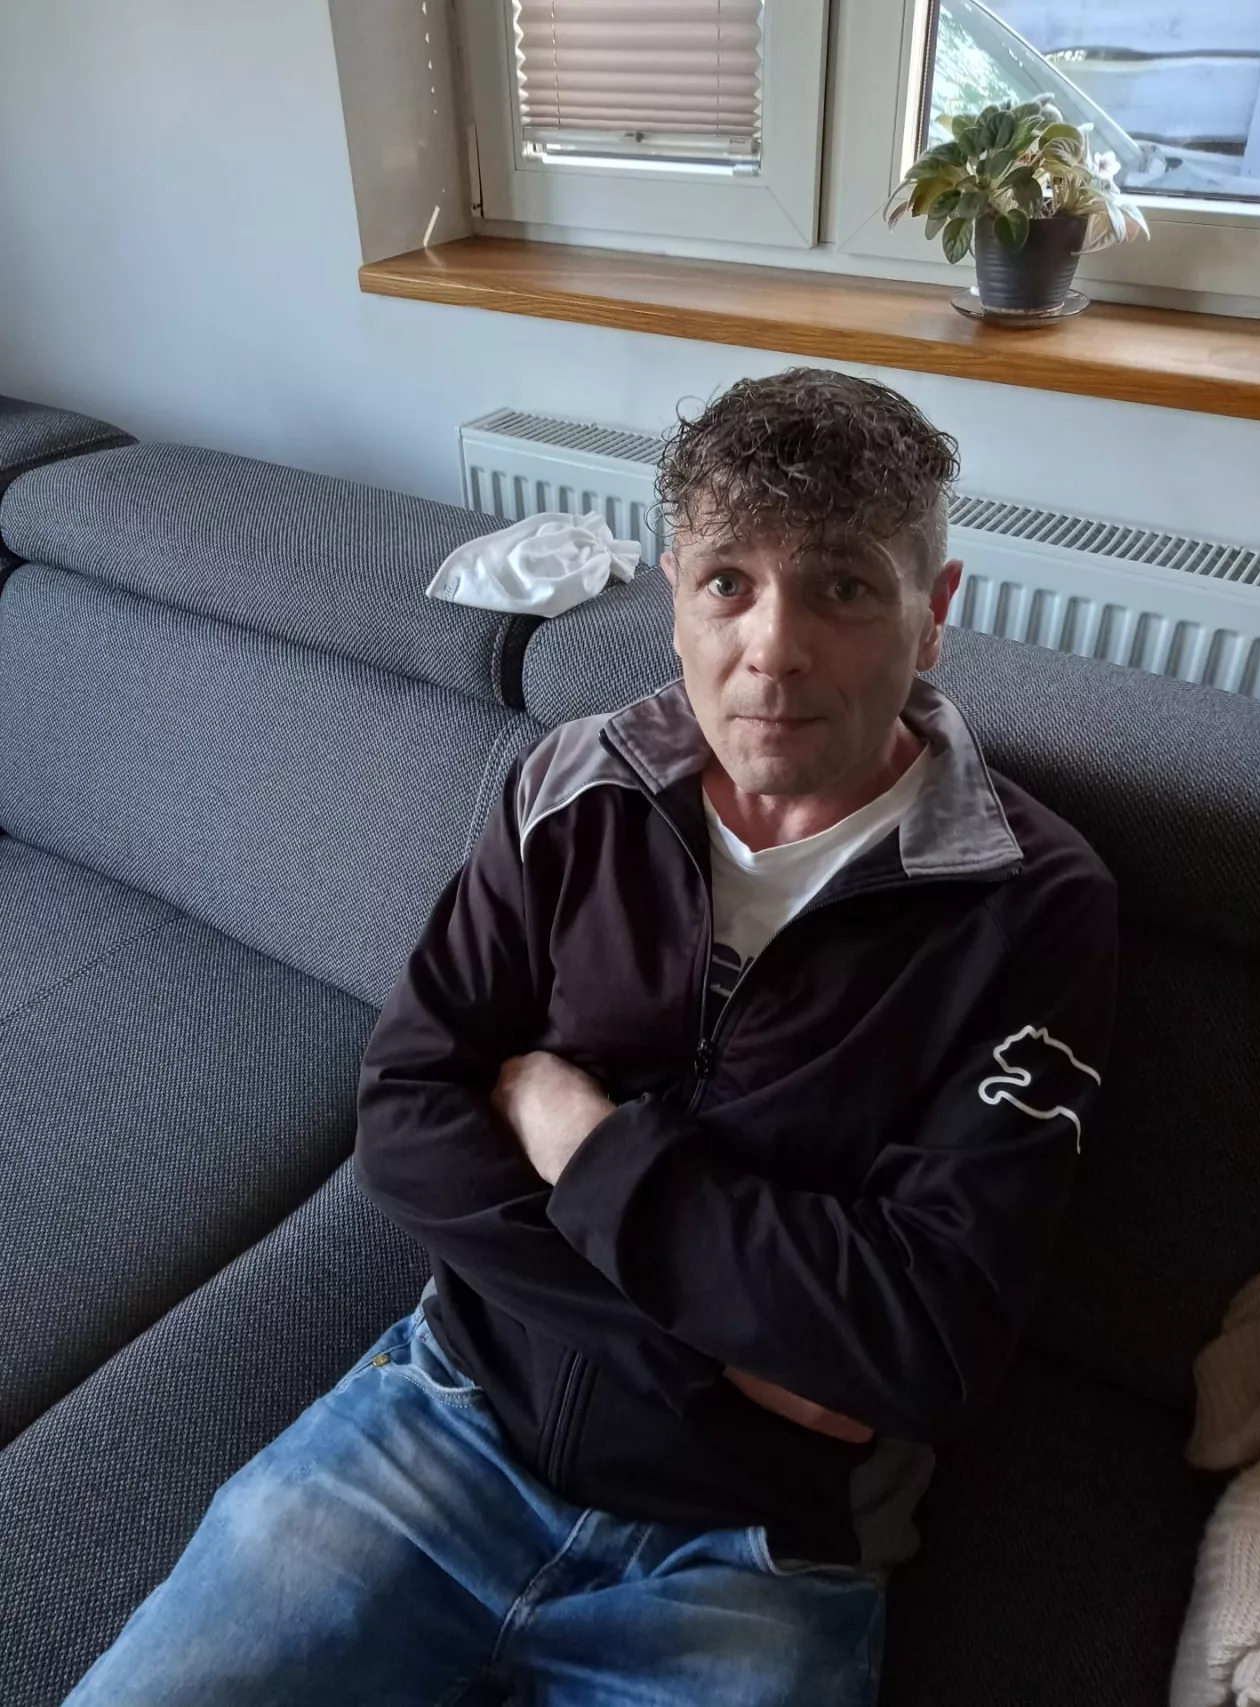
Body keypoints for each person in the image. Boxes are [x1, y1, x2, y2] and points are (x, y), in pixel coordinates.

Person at [64, 369, 1118, 1706]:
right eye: (729, 582)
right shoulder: (575, 786)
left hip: (751, 1552)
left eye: (845, 587)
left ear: (935, 615)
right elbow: (405, 1112)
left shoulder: (1029, 901)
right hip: (441, 1425)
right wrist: (726, 1354)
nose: (773, 648)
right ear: (675, 594)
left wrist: (578, 1135)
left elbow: (923, 1343)